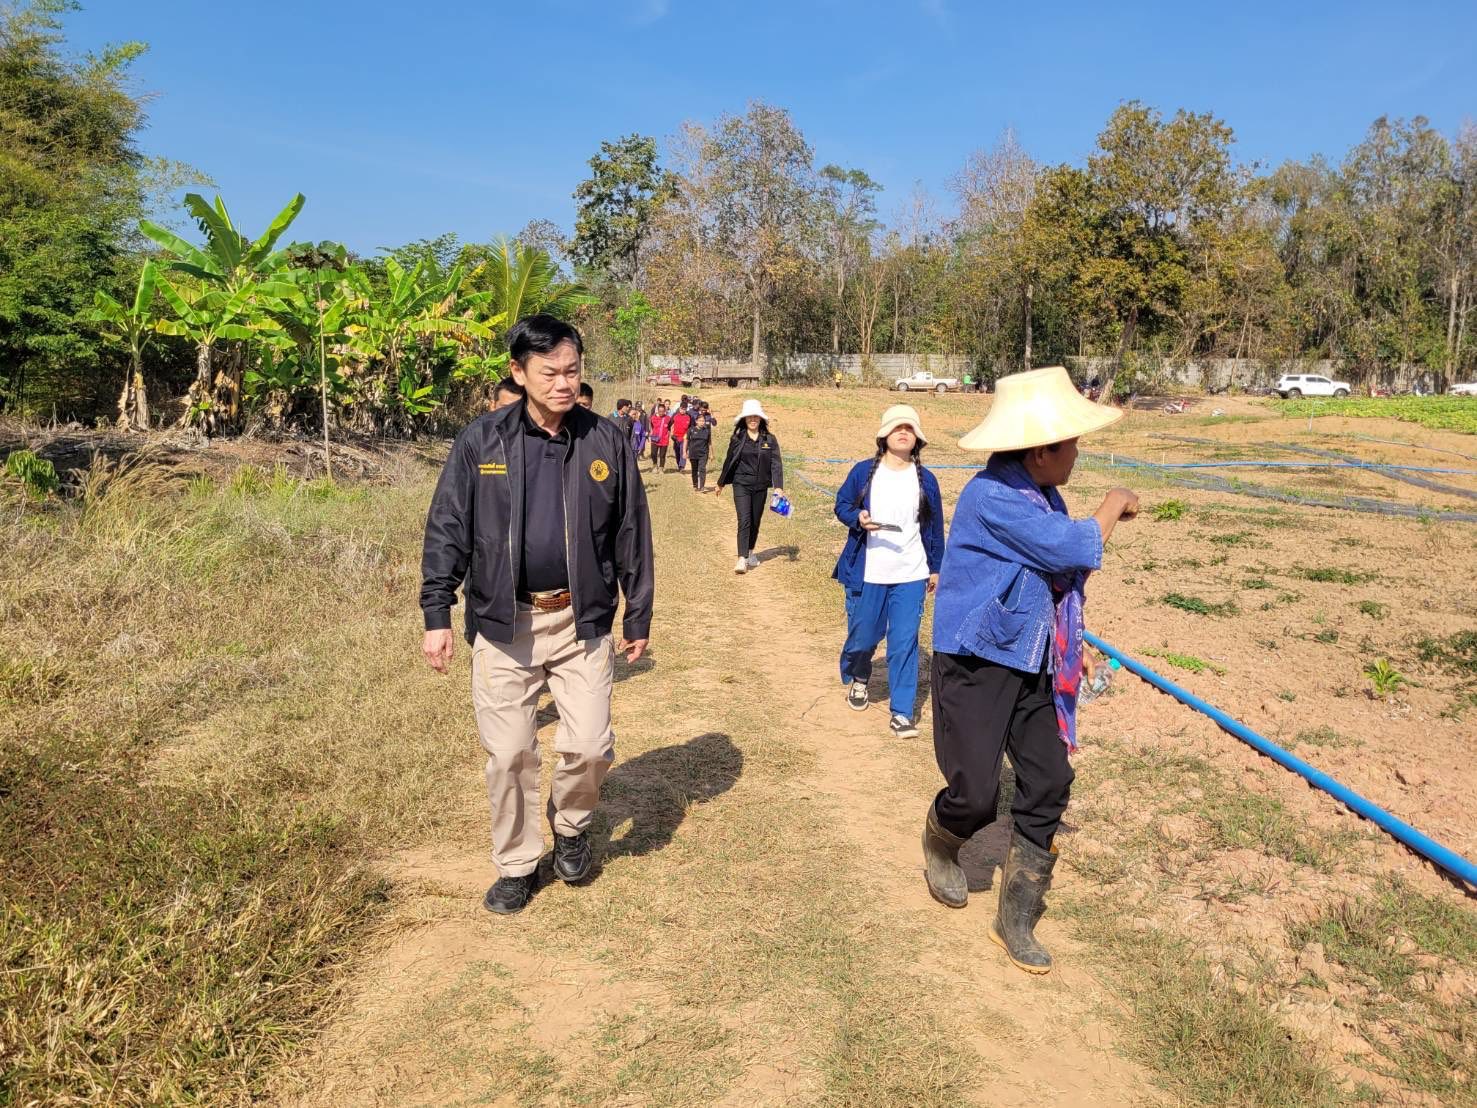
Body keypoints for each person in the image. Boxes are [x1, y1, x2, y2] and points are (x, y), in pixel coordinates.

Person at [420, 314, 654, 917]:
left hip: (581, 622)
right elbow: (448, 525)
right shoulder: (483, 441)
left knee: (591, 744)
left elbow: (632, 531)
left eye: (572, 371)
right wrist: (437, 610)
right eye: (549, 372)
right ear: (518, 373)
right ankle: (518, 864)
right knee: (509, 755)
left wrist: (637, 615)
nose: (564, 383)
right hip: (505, 624)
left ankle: (571, 827)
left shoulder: (606, 441)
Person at [921, 366, 1138, 974]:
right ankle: (942, 838)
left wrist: (1072, 643)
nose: (1077, 454)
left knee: (1048, 779)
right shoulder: (992, 497)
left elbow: (1051, 577)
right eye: (1072, 445)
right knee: (976, 795)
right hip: (977, 658)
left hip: (1029, 656)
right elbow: (1073, 548)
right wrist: (1114, 502)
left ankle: (1015, 916)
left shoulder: (1039, 494)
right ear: (1041, 451)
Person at [831, 405, 945, 739]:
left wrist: (936, 568)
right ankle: (859, 676)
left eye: (909, 428)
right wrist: (858, 518)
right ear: (884, 435)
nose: (903, 432)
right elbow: (842, 505)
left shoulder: (926, 480)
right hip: (869, 572)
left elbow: (934, 529)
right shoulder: (863, 472)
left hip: (911, 572)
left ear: (917, 438)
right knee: (864, 637)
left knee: (904, 641)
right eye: (897, 427)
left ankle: (902, 712)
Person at [714, 398, 785, 574]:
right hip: (741, 484)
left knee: (755, 520)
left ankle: (750, 552)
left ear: (760, 419)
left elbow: (776, 464)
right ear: (744, 419)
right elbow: (729, 461)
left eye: (755, 416)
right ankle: (741, 558)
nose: (753, 420)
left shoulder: (769, 439)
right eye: (749, 417)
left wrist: (778, 486)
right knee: (744, 519)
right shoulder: (738, 438)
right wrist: (721, 483)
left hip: (761, 486)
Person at [686, 401, 715, 492]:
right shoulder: (691, 430)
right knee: (694, 469)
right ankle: (695, 484)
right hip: (693, 452)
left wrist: (711, 454)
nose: (702, 422)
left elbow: (710, 443)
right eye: (700, 421)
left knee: (702, 468)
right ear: (696, 421)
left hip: (704, 453)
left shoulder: (707, 430)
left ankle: (702, 486)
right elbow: (687, 440)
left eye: (703, 421)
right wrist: (685, 451)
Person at [649, 402, 672, 471]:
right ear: (657, 411)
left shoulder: (668, 418)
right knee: (653, 453)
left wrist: (668, 435)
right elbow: (652, 426)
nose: (661, 413)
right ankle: (655, 465)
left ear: (665, 411)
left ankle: (661, 468)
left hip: (664, 439)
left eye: (662, 411)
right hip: (655, 439)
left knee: (662, 455)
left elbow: (669, 427)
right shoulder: (653, 418)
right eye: (660, 411)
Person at [672, 403, 691, 473]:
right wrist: (671, 433)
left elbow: (690, 427)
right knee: (677, 453)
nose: (683, 411)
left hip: (684, 438)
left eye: (684, 409)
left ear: (686, 409)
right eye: (681, 409)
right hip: (676, 438)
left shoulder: (688, 417)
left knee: (683, 451)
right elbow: (670, 424)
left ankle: (682, 467)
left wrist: (688, 435)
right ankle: (679, 465)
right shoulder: (675, 416)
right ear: (679, 408)